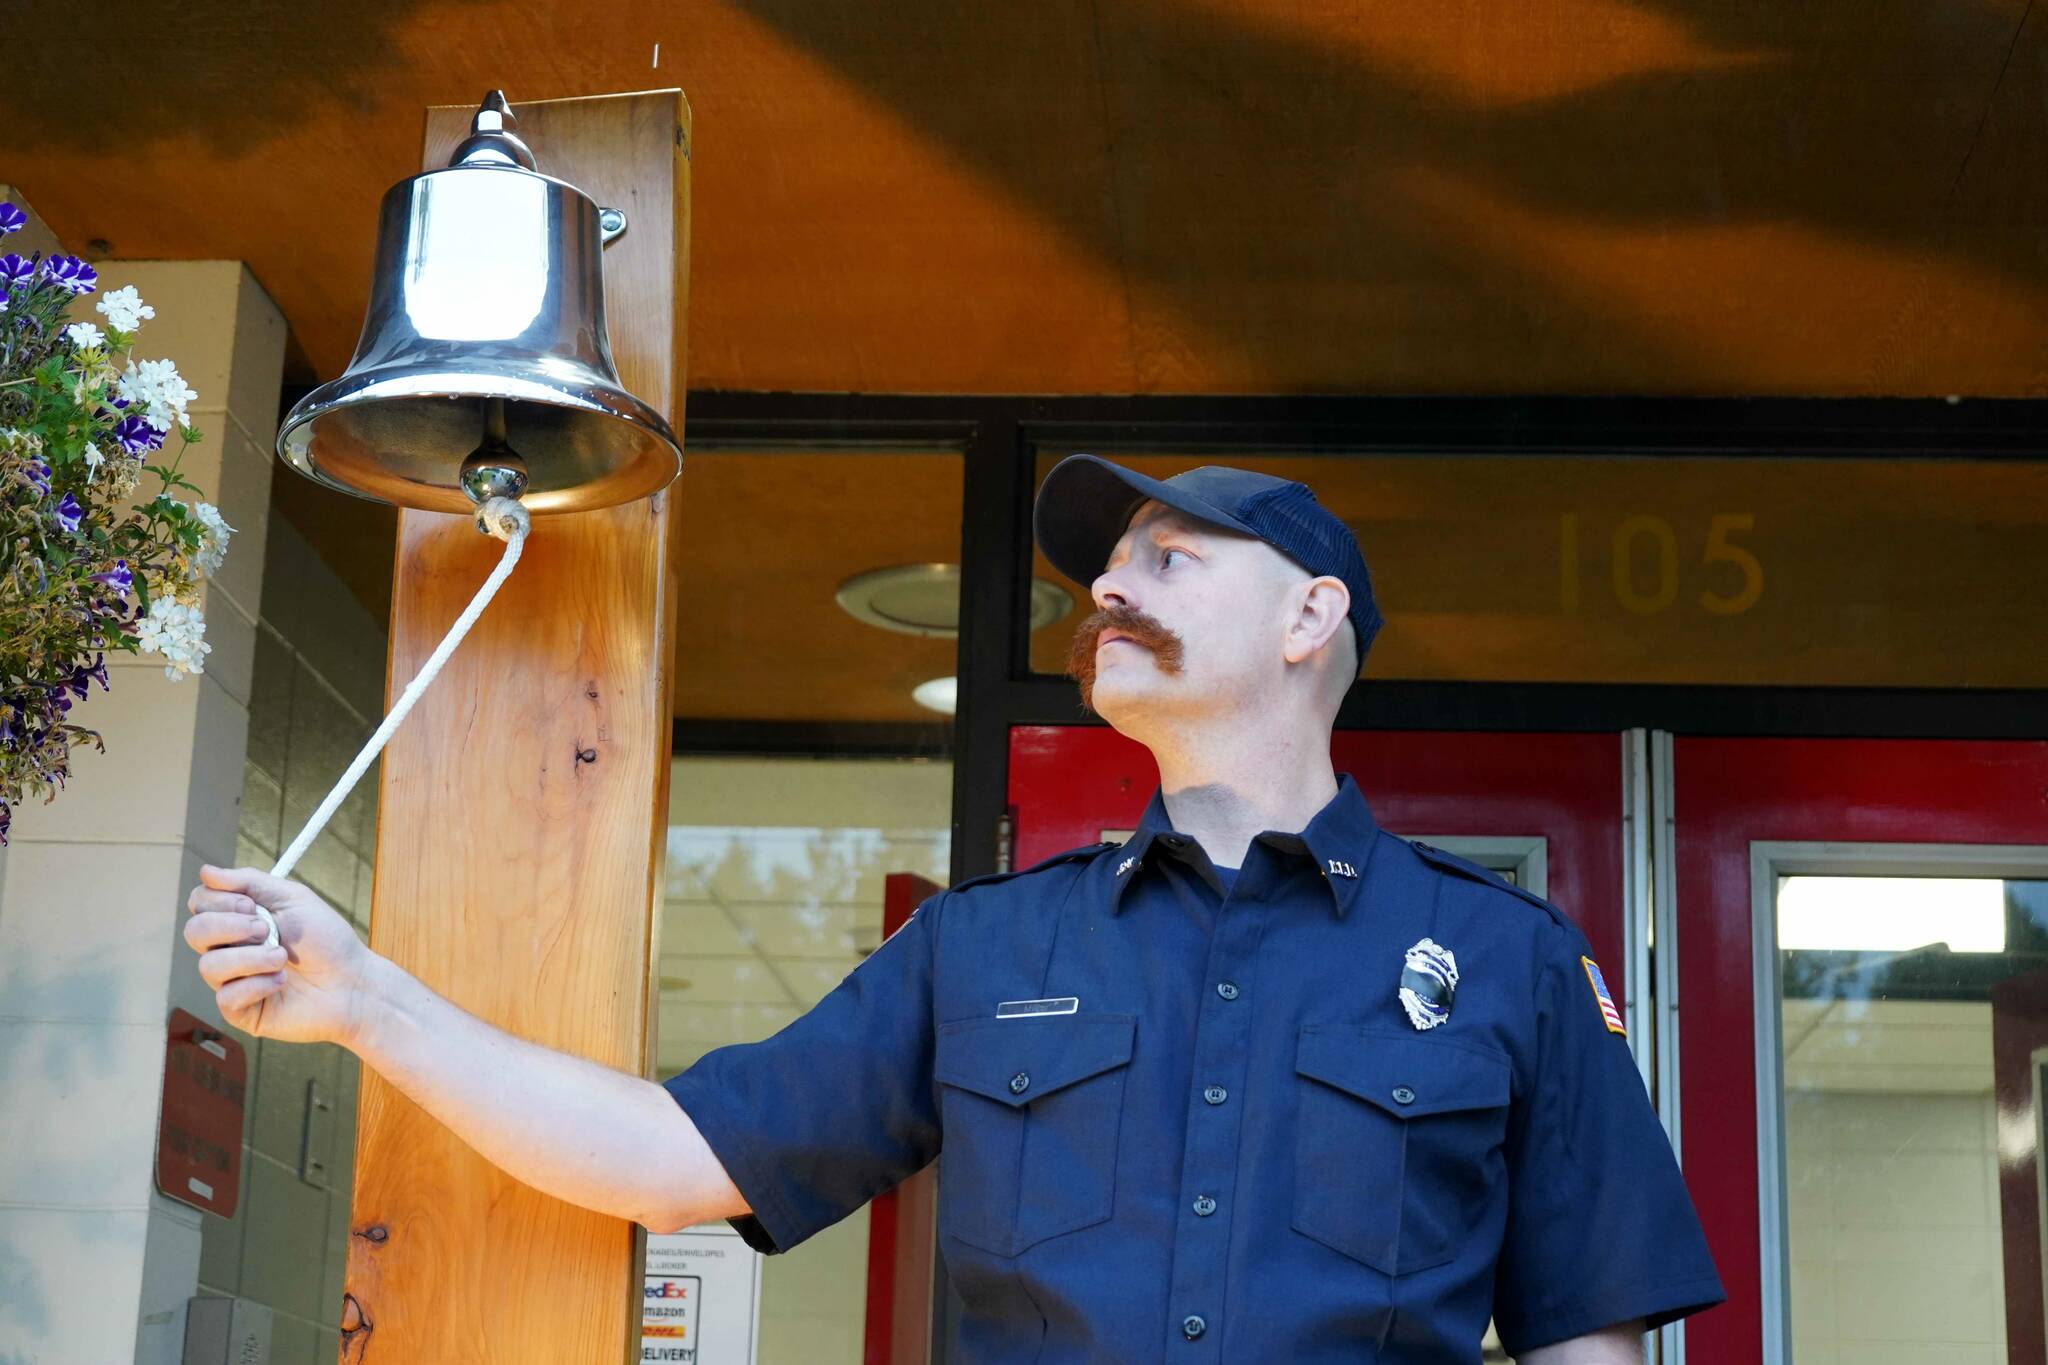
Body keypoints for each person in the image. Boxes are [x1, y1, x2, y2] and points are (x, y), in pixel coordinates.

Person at [183, 454, 1723, 1363]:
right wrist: (368, 1000)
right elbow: (668, 1160)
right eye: (1106, 573)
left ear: (1312, 617)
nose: (1110, 591)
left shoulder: (1513, 967)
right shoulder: (985, 950)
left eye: (1169, 560)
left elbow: (1593, 1343)